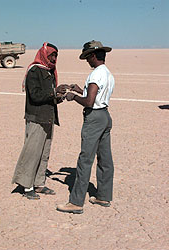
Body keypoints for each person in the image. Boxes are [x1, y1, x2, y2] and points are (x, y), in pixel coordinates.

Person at [57, 40, 115, 214]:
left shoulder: (96, 74)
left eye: (87, 57)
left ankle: (76, 202)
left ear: (92, 56)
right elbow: (95, 97)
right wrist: (78, 89)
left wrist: (72, 97)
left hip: (94, 119)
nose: (87, 61)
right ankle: (104, 196)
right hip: (104, 115)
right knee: (105, 158)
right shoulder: (107, 73)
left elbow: (89, 102)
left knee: (85, 160)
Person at [12, 42, 68, 200]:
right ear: (44, 54)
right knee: (32, 152)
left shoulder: (50, 71)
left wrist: (59, 97)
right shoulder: (34, 71)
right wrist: (53, 92)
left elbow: (48, 96)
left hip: (48, 118)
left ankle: (39, 183)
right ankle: (27, 185)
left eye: (56, 55)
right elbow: (35, 95)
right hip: (36, 117)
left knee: (44, 153)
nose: (54, 58)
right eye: (52, 55)